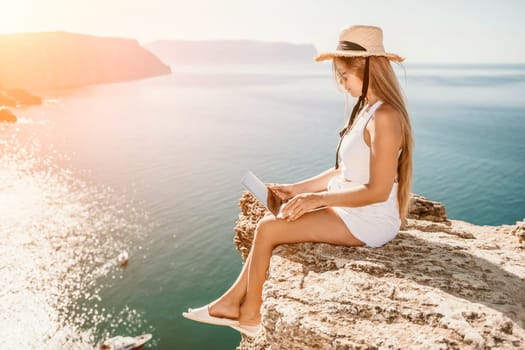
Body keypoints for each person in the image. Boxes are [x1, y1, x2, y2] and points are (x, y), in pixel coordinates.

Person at [182, 24, 414, 338]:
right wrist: (295, 189)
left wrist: (318, 200)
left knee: (268, 228)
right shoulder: (367, 111)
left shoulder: (385, 117)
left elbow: (378, 190)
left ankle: (249, 315)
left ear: (367, 68)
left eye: (344, 77)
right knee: (271, 217)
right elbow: (343, 172)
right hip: (353, 211)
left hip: (370, 220)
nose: (342, 85)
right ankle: (230, 303)